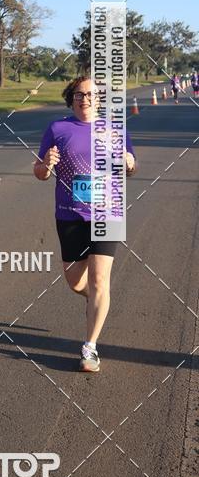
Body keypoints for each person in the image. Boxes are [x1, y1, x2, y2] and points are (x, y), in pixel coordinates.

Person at [33, 77, 136, 373]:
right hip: (69, 214)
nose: (85, 99)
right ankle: (97, 302)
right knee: (75, 282)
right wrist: (46, 164)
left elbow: (131, 167)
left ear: (100, 99)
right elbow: (39, 172)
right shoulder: (58, 129)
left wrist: (129, 163)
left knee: (99, 279)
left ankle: (89, 347)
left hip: (108, 213)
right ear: (71, 98)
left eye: (91, 94)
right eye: (79, 94)